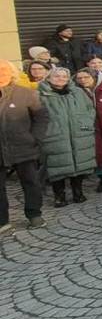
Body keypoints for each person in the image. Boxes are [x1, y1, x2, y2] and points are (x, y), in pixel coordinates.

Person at [0, 59, 47, 231]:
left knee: (30, 182)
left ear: (12, 74)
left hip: (24, 146)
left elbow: (41, 117)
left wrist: (35, 137)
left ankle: (34, 214)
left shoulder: (25, 93)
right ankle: (2, 221)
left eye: (4, 72)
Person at [39, 67, 97, 207]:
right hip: (54, 135)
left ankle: (78, 192)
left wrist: (87, 123)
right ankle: (59, 196)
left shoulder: (77, 92)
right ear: (49, 78)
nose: (61, 79)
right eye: (57, 76)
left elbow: (90, 109)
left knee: (79, 164)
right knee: (57, 167)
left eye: (64, 76)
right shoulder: (41, 95)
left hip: (79, 133)